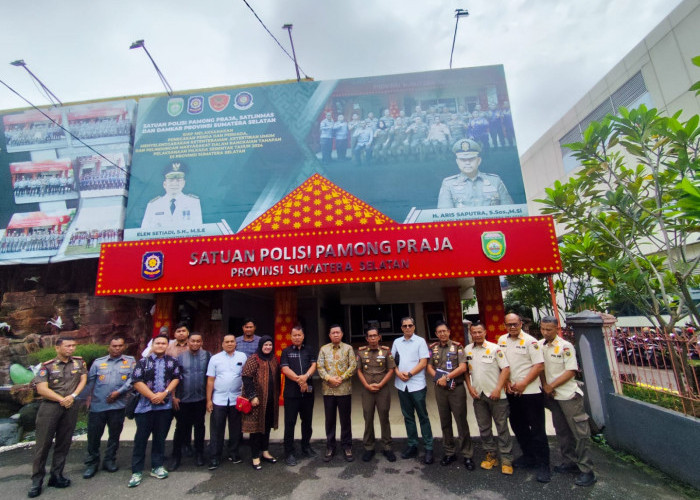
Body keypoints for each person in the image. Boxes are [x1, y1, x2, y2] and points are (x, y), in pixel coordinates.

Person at [539, 317, 596, 487]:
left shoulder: (565, 346)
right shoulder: (541, 346)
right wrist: (545, 386)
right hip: (553, 396)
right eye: (542, 329)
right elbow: (541, 368)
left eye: (549, 329)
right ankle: (569, 462)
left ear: (557, 328)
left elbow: (571, 371)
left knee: (580, 433)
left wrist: (551, 385)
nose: (545, 332)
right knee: (562, 431)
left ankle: (587, 470)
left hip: (569, 395)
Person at [28, 337, 87, 498]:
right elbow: (41, 389)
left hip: (70, 406)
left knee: (64, 442)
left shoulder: (78, 363)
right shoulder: (46, 366)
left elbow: (83, 379)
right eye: (68, 346)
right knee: (43, 445)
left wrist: (73, 396)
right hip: (51, 407)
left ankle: (57, 475)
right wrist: (61, 399)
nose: (71, 349)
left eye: (74, 345)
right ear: (57, 348)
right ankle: (37, 480)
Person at [498, 313, 550, 483]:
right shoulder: (502, 341)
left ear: (521, 323)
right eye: (509, 324)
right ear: (505, 325)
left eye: (515, 324)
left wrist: (524, 383)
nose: (512, 327)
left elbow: (539, 366)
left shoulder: (530, 342)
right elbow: (502, 365)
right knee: (518, 426)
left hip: (531, 392)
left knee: (537, 429)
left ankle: (543, 465)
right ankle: (529, 456)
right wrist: (505, 383)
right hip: (512, 393)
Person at [128, 334, 181, 488]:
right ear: (153, 345)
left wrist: (164, 393)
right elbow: (136, 381)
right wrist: (152, 396)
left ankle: (156, 466)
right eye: (157, 343)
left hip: (164, 406)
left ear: (167, 346)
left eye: (163, 343)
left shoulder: (172, 362)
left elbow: (177, 378)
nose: (160, 345)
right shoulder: (143, 362)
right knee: (141, 438)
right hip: (144, 407)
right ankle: (136, 471)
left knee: (160, 437)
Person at [81, 335, 135, 479]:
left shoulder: (130, 362)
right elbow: (90, 382)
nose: (117, 348)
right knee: (93, 436)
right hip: (98, 405)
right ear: (108, 347)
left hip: (118, 405)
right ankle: (92, 463)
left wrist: (119, 392)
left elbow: (132, 379)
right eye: (114, 346)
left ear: (124, 347)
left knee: (114, 436)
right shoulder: (98, 363)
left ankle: (109, 460)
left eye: (120, 346)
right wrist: (87, 399)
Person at [465, 322, 514, 475]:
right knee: (484, 427)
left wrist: (498, 389)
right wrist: (470, 387)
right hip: (479, 395)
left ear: (485, 332)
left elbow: (505, 369)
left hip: (497, 395)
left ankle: (506, 458)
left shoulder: (494, 348)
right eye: (474, 332)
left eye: (480, 332)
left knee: (502, 427)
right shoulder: (467, 350)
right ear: (470, 333)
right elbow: (466, 371)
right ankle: (491, 455)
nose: (477, 335)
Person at [426, 321, 474, 469]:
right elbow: (429, 366)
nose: (442, 334)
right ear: (436, 334)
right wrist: (438, 379)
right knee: (445, 421)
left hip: (456, 389)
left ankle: (467, 455)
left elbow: (463, 367)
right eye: (439, 332)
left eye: (444, 331)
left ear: (449, 332)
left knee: (461, 421)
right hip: (440, 390)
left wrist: (446, 378)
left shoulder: (458, 347)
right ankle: (449, 452)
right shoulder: (432, 348)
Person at [391, 316, 434, 464]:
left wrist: (409, 374)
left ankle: (429, 447)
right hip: (402, 385)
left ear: (414, 327)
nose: (408, 328)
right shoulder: (397, 342)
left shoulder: (420, 341)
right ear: (401, 328)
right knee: (408, 417)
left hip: (417, 385)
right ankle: (412, 445)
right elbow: (392, 361)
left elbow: (423, 362)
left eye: (410, 325)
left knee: (423, 416)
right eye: (405, 326)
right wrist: (398, 373)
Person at [206, 333, 247, 470]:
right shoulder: (215, 359)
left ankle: (234, 453)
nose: (229, 344)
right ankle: (215, 457)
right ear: (222, 344)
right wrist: (209, 400)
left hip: (236, 399)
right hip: (219, 399)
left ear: (236, 343)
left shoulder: (242, 357)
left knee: (236, 428)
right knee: (217, 428)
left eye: (232, 341)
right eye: (227, 342)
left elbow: (245, 377)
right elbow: (210, 380)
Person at [170, 332, 211, 470]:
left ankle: (199, 454)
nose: (195, 343)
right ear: (188, 342)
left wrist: (209, 399)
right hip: (183, 399)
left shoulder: (207, 356)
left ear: (201, 342)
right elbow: (174, 377)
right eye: (192, 341)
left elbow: (210, 378)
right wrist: (174, 396)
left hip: (200, 398)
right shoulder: (180, 358)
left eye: (198, 341)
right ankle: (176, 457)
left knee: (200, 427)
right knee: (181, 428)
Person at [317, 324, 357, 462]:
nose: (335, 335)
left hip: (344, 389)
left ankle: (347, 446)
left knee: (345, 420)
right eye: (333, 333)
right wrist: (329, 378)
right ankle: (330, 446)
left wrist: (341, 378)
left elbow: (353, 366)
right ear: (329, 335)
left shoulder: (348, 348)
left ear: (342, 334)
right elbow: (319, 366)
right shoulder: (323, 349)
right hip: (328, 390)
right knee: (330, 420)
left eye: (337, 332)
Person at [356, 326, 396, 462]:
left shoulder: (386, 352)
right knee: (368, 418)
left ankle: (387, 447)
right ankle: (369, 447)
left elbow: (391, 370)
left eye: (375, 335)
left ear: (379, 337)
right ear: (367, 338)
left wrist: (380, 384)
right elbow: (359, 371)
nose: (373, 338)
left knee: (384, 417)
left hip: (382, 389)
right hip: (367, 390)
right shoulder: (361, 353)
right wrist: (366, 385)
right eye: (370, 336)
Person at [437, 139, 513, 209]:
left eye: (471, 159)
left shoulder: (495, 181)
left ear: (479, 161)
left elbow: (509, 211)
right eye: (463, 160)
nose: (467, 163)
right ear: (457, 162)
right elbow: (445, 215)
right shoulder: (448, 184)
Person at [280, 325, 317, 466]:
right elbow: (284, 368)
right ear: (291, 336)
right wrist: (299, 380)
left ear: (303, 336)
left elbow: (314, 365)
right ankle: (289, 452)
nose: (297, 337)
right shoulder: (286, 351)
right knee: (290, 423)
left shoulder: (309, 349)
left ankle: (306, 446)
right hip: (291, 393)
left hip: (308, 392)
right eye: (294, 335)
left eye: (299, 335)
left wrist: (306, 376)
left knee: (307, 422)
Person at [242, 336, 280, 470]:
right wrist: (252, 396)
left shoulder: (274, 359)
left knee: (267, 426)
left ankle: (265, 452)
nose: (268, 347)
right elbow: (246, 378)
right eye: (266, 345)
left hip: (270, 400)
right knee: (256, 429)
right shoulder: (254, 359)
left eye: (270, 345)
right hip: (257, 401)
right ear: (261, 346)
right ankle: (255, 457)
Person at [141, 161, 202, 229]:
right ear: (164, 184)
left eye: (178, 180)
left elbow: (198, 229)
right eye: (171, 180)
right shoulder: (153, 205)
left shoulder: (193, 202)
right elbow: (144, 231)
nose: (175, 184)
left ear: (183, 183)